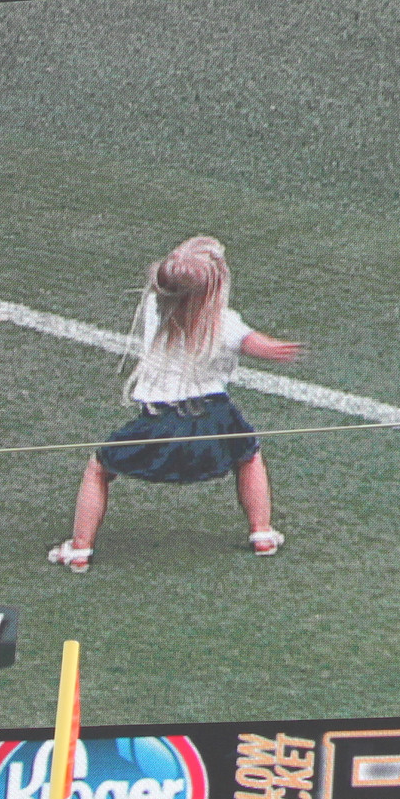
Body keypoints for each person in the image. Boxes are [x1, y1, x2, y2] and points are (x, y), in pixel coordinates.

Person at [47, 236, 301, 573]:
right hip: (215, 417)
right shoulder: (225, 324)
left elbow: (173, 286)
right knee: (249, 456)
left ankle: (79, 550)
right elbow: (258, 345)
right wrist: (279, 349)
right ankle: (262, 533)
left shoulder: (156, 309)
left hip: (160, 420)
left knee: (99, 467)